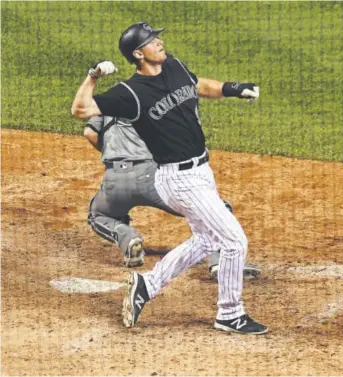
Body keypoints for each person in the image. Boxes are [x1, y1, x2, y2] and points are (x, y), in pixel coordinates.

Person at [71, 22, 267, 334]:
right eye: (151, 40)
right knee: (234, 241)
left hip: (202, 172)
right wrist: (93, 76)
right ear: (138, 53)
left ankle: (146, 286)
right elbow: (81, 110)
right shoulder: (130, 93)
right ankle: (230, 313)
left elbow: (197, 85)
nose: (159, 42)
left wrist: (232, 88)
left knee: (207, 240)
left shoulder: (174, 66)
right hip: (177, 180)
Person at [84, 115, 260, 280]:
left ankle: (127, 238)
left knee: (99, 214)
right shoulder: (154, 98)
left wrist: (115, 154)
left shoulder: (109, 99)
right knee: (214, 209)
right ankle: (221, 263)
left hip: (115, 179)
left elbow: (90, 133)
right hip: (152, 176)